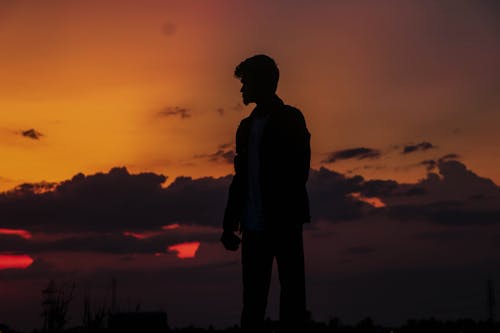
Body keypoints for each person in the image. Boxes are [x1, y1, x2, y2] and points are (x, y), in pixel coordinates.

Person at [220, 54, 311, 332]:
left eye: (246, 82)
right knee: (253, 303)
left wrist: (282, 211)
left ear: (262, 82)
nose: (242, 88)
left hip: (284, 224)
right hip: (253, 227)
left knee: (292, 298)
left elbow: (299, 171)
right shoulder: (246, 128)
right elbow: (241, 178)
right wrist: (230, 223)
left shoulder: (290, 119)